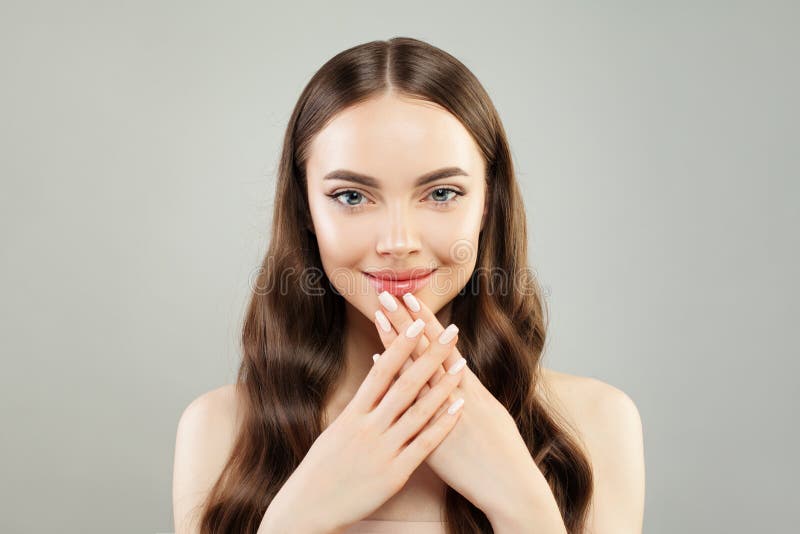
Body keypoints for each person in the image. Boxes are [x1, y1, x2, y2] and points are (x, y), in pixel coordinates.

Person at [172, 37, 645, 534]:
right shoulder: (220, 430)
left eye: (441, 193)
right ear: (305, 209)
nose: (398, 242)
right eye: (352, 196)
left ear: (488, 202)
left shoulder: (595, 424)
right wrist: (294, 520)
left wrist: (525, 508)